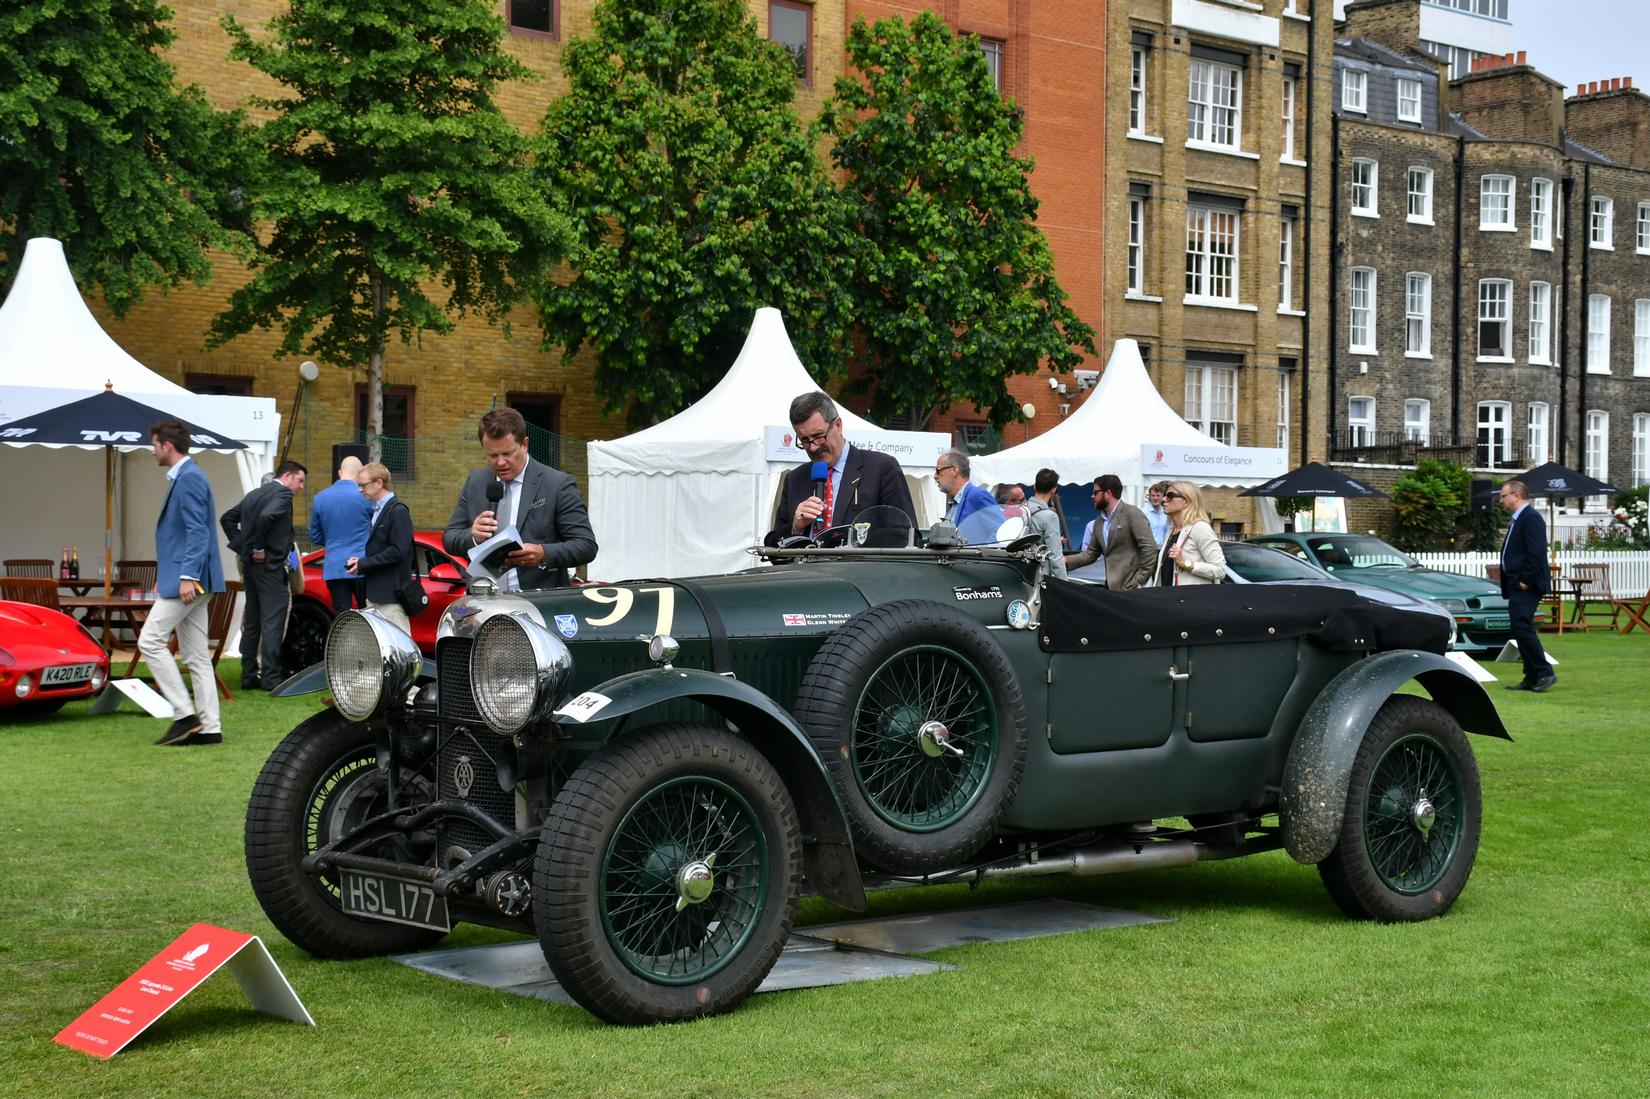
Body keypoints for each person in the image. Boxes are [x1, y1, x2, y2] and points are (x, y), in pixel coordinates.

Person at [140, 420, 226, 747]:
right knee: (196, 657)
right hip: (194, 578)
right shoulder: (188, 476)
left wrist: (188, 576)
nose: (152, 450)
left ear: (167, 446)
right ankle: (210, 728)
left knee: (149, 641)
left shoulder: (189, 478)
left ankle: (185, 715)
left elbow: (197, 532)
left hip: (188, 580)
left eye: (155, 444)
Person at [444, 407, 597, 590]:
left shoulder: (557, 484)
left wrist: (543, 553)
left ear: (524, 444)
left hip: (539, 603)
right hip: (484, 601)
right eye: (492, 455)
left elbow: (586, 545)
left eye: (507, 453)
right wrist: (473, 535)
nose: (500, 462)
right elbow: (450, 538)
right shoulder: (476, 482)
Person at [769, 392, 917, 541]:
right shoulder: (795, 479)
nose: (813, 447)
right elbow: (773, 547)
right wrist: (795, 528)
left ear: (838, 425)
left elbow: (906, 537)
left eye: (818, 436)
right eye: (805, 440)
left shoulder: (881, 469)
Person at [221, 459, 306, 690]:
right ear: (287, 476)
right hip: (271, 568)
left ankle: (248, 676)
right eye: (299, 481)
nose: (300, 487)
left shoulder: (254, 495)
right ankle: (271, 678)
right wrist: (257, 548)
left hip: (252, 569)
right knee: (272, 624)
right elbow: (267, 517)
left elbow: (227, 518)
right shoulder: (283, 495)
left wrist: (243, 547)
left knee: (252, 623)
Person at [1498, 479, 1555, 692]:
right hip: (1517, 583)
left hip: (1526, 585)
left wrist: (1525, 580)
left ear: (1516, 495)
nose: (1501, 500)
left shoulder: (1530, 518)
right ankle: (1531, 677)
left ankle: (1544, 672)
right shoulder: (1519, 519)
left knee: (1521, 627)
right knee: (1519, 628)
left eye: (1504, 496)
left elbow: (1537, 550)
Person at [349, 462, 415, 633]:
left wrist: (364, 563)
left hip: (391, 597)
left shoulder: (397, 511)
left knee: (401, 652)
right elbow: (382, 549)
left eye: (363, 485)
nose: (360, 489)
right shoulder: (379, 509)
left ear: (379, 483)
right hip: (377, 595)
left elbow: (398, 551)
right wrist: (361, 562)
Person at [1065, 474, 1157, 590]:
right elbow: (1091, 554)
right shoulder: (1099, 522)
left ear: (1108, 493)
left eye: (1095, 492)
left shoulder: (1132, 513)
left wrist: (1138, 581)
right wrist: (1066, 560)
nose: (1092, 496)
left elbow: (1149, 548)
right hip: (1112, 588)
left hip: (1134, 589)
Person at [309, 454, 372, 615]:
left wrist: (333, 541)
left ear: (339, 472)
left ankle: (342, 640)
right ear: (360, 474)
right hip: (363, 565)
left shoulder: (320, 498)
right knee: (369, 614)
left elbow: (315, 536)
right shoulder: (366, 497)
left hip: (334, 567)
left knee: (341, 615)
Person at [1152, 481, 1227, 586]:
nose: (1163, 499)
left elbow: (1220, 570)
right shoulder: (1171, 530)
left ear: (1186, 501)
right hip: (1168, 598)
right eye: (1164, 495)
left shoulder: (1200, 528)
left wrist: (1185, 563)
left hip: (1191, 599)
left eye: (1170, 496)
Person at [1025, 468, 1068, 579]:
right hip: (1039, 577)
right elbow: (1055, 556)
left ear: (1034, 486)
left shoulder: (1022, 509)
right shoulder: (1050, 516)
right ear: (1054, 490)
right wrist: (1066, 586)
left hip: (1021, 572)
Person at [934, 450, 996, 526]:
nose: (935, 476)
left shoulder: (978, 496)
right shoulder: (954, 503)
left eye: (938, 470)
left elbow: (999, 532)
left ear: (954, 470)